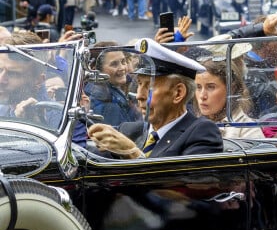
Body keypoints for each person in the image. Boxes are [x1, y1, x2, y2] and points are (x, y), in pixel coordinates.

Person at [88, 38, 223, 158]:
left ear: (178, 93)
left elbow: (181, 182)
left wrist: (132, 153)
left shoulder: (202, 133)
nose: (140, 95)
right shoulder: (129, 130)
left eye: (150, 87)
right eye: (139, 84)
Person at [194, 57, 264, 139]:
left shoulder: (248, 131)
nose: (202, 96)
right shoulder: (190, 125)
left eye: (211, 87)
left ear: (231, 89)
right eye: (198, 87)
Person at [85, 44, 141, 126]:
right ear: (96, 70)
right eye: (114, 64)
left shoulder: (108, 90)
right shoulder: (108, 106)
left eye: (123, 61)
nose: (122, 68)